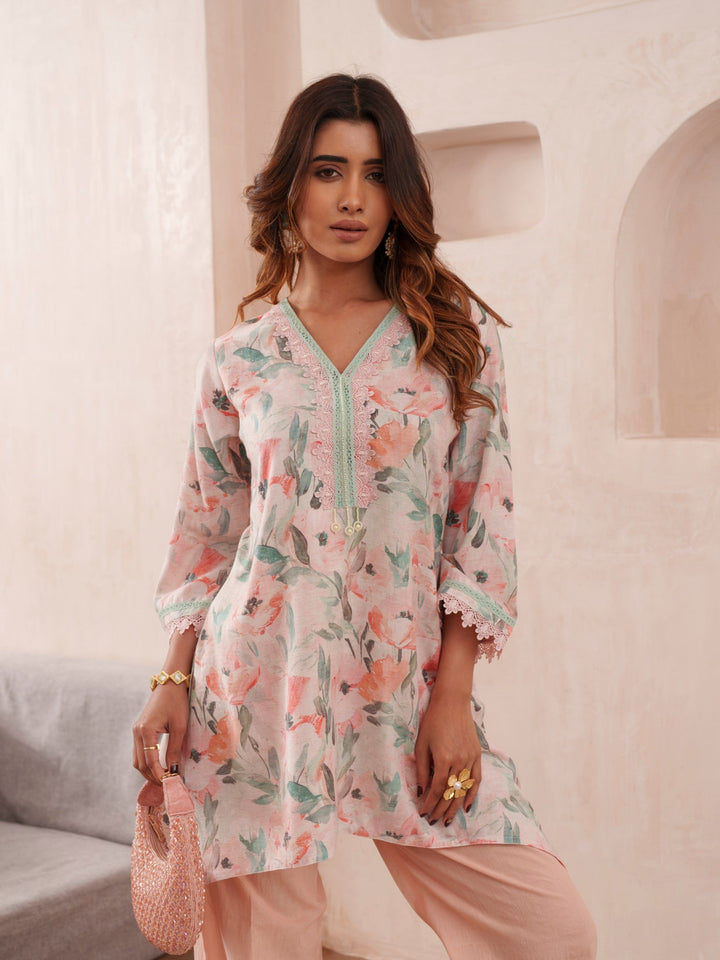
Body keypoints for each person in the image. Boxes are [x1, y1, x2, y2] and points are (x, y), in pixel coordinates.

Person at [133, 73, 596, 960]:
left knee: (551, 933)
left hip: (405, 689)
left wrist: (452, 697)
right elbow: (207, 535)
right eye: (328, 170)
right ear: (290, 185)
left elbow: (479, 520)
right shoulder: (239, 359)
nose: (352, 198)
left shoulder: (454, 337)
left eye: (377, 175)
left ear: (400, 194)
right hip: (254, 692)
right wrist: (171, 679)